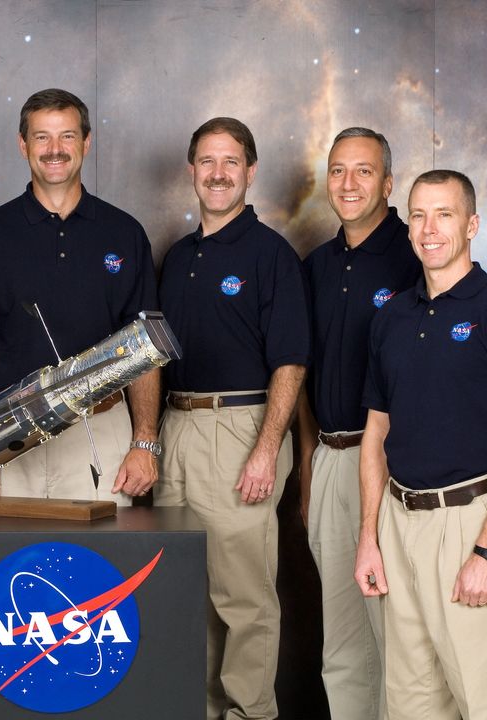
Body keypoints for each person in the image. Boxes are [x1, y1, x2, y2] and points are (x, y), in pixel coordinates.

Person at [355, 170, 487, 720]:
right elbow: (375, 435)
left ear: (472, 225)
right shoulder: (391, 317)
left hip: (470, 523)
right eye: (418, 214)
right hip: (398, 520)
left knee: (483, 701)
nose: (429, 228)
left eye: (445, 214)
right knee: (411, 702)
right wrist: (369, 537)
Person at [156, 117, 310, 720]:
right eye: (207, 162)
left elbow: (291, 363)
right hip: (176, 427)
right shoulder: (176, 256)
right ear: (191, 172)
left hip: (241, 427)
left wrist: (268, 448)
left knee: (244, 597)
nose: (218, 174)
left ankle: (250, 712)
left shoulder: (270, 255)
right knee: (184, 590)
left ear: (249, 171)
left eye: (231, 162)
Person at [0, 88, 160, 502]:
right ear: (22, 144)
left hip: (101, 430)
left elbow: (144, 350)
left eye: (66, 136)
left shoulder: (125, 233)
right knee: (14, 565)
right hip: (8, 432)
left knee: (97, 565)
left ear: (86, 142)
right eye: (42, 137)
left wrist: (144, 441)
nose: (55, 150)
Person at [296, 127, 420, 719]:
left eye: (364, 171)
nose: (349, 184)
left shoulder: (417, 257)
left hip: (397, 472)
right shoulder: (315, 266)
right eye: (339, 171)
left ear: (389, 183)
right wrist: (306, 474)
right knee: (343, 642)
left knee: (402, 638)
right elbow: (298, 376)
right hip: (330, 458)